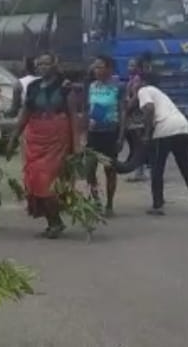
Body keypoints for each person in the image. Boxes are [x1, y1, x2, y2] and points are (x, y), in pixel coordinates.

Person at [15, 53, 77, 238]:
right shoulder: (33, 87)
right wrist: (13, 138)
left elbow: (73, 115)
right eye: (39, 64)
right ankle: (52, 222)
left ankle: (56, 221)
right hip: (35, 137)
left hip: (57, 138)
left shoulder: (65, 86)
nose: (42, 67)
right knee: (34, 178)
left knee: (47, 181)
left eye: (46, 63)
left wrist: (77, 144)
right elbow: (25, 113)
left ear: (54, 65)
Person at [135, 73, 188, 216]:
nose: (132, 84)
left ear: (142, 82)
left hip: (165, 130)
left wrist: (147, 134)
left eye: (135, 81)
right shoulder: (160, 94)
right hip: (183, 127)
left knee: (157, 168)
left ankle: (157, 205)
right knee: (187, 167)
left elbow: (148, 109)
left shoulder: (144, 90)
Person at [85, 55, 124, 216]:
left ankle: (109, 204)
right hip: (93, 133)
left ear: (109, 69)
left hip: (110, 132)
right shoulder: (92, 86)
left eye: (100, 67)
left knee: (110, 170)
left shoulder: (118, 86)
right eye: (95, 67)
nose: (96, 70)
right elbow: (88, 108)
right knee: (89, 170)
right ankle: (96, 201)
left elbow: (123, 111)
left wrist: (121, 136)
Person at [123, 54, 151, 183]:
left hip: (137, 117)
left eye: (132, 65)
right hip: (135, 116)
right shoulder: (132, 79)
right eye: (129, 65)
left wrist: (127, 107)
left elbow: (135, 98)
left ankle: (140, 172)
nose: (129, 67)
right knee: (137, 144)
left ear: (139, 68)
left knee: (138, 144)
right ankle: (141, 170)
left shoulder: (137, 81)